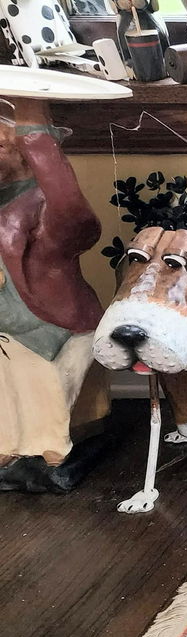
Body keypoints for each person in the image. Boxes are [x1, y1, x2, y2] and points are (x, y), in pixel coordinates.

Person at [0, 97, 109, 491]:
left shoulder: (42, 204)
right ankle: (11, 448)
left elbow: (77, 221)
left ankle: (54, 450)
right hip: (5, 326)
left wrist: (36, 134)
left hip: (51, 323)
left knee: (48, 385)